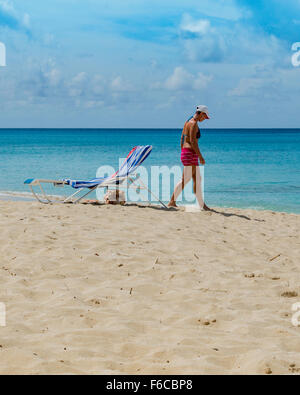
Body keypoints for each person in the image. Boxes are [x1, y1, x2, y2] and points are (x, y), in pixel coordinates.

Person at [168, 105, 210, 210]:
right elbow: (193, 142)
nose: (204, 119)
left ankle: (201, 204)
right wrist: (200, 157)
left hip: (187, 153)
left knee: (197, 179)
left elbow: (182, 138)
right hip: (190, 153)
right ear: (200, 113)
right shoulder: (193, 124)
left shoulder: (188, 121)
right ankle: (172, 201)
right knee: (186, 180)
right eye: (204, 117)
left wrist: (183, 151)